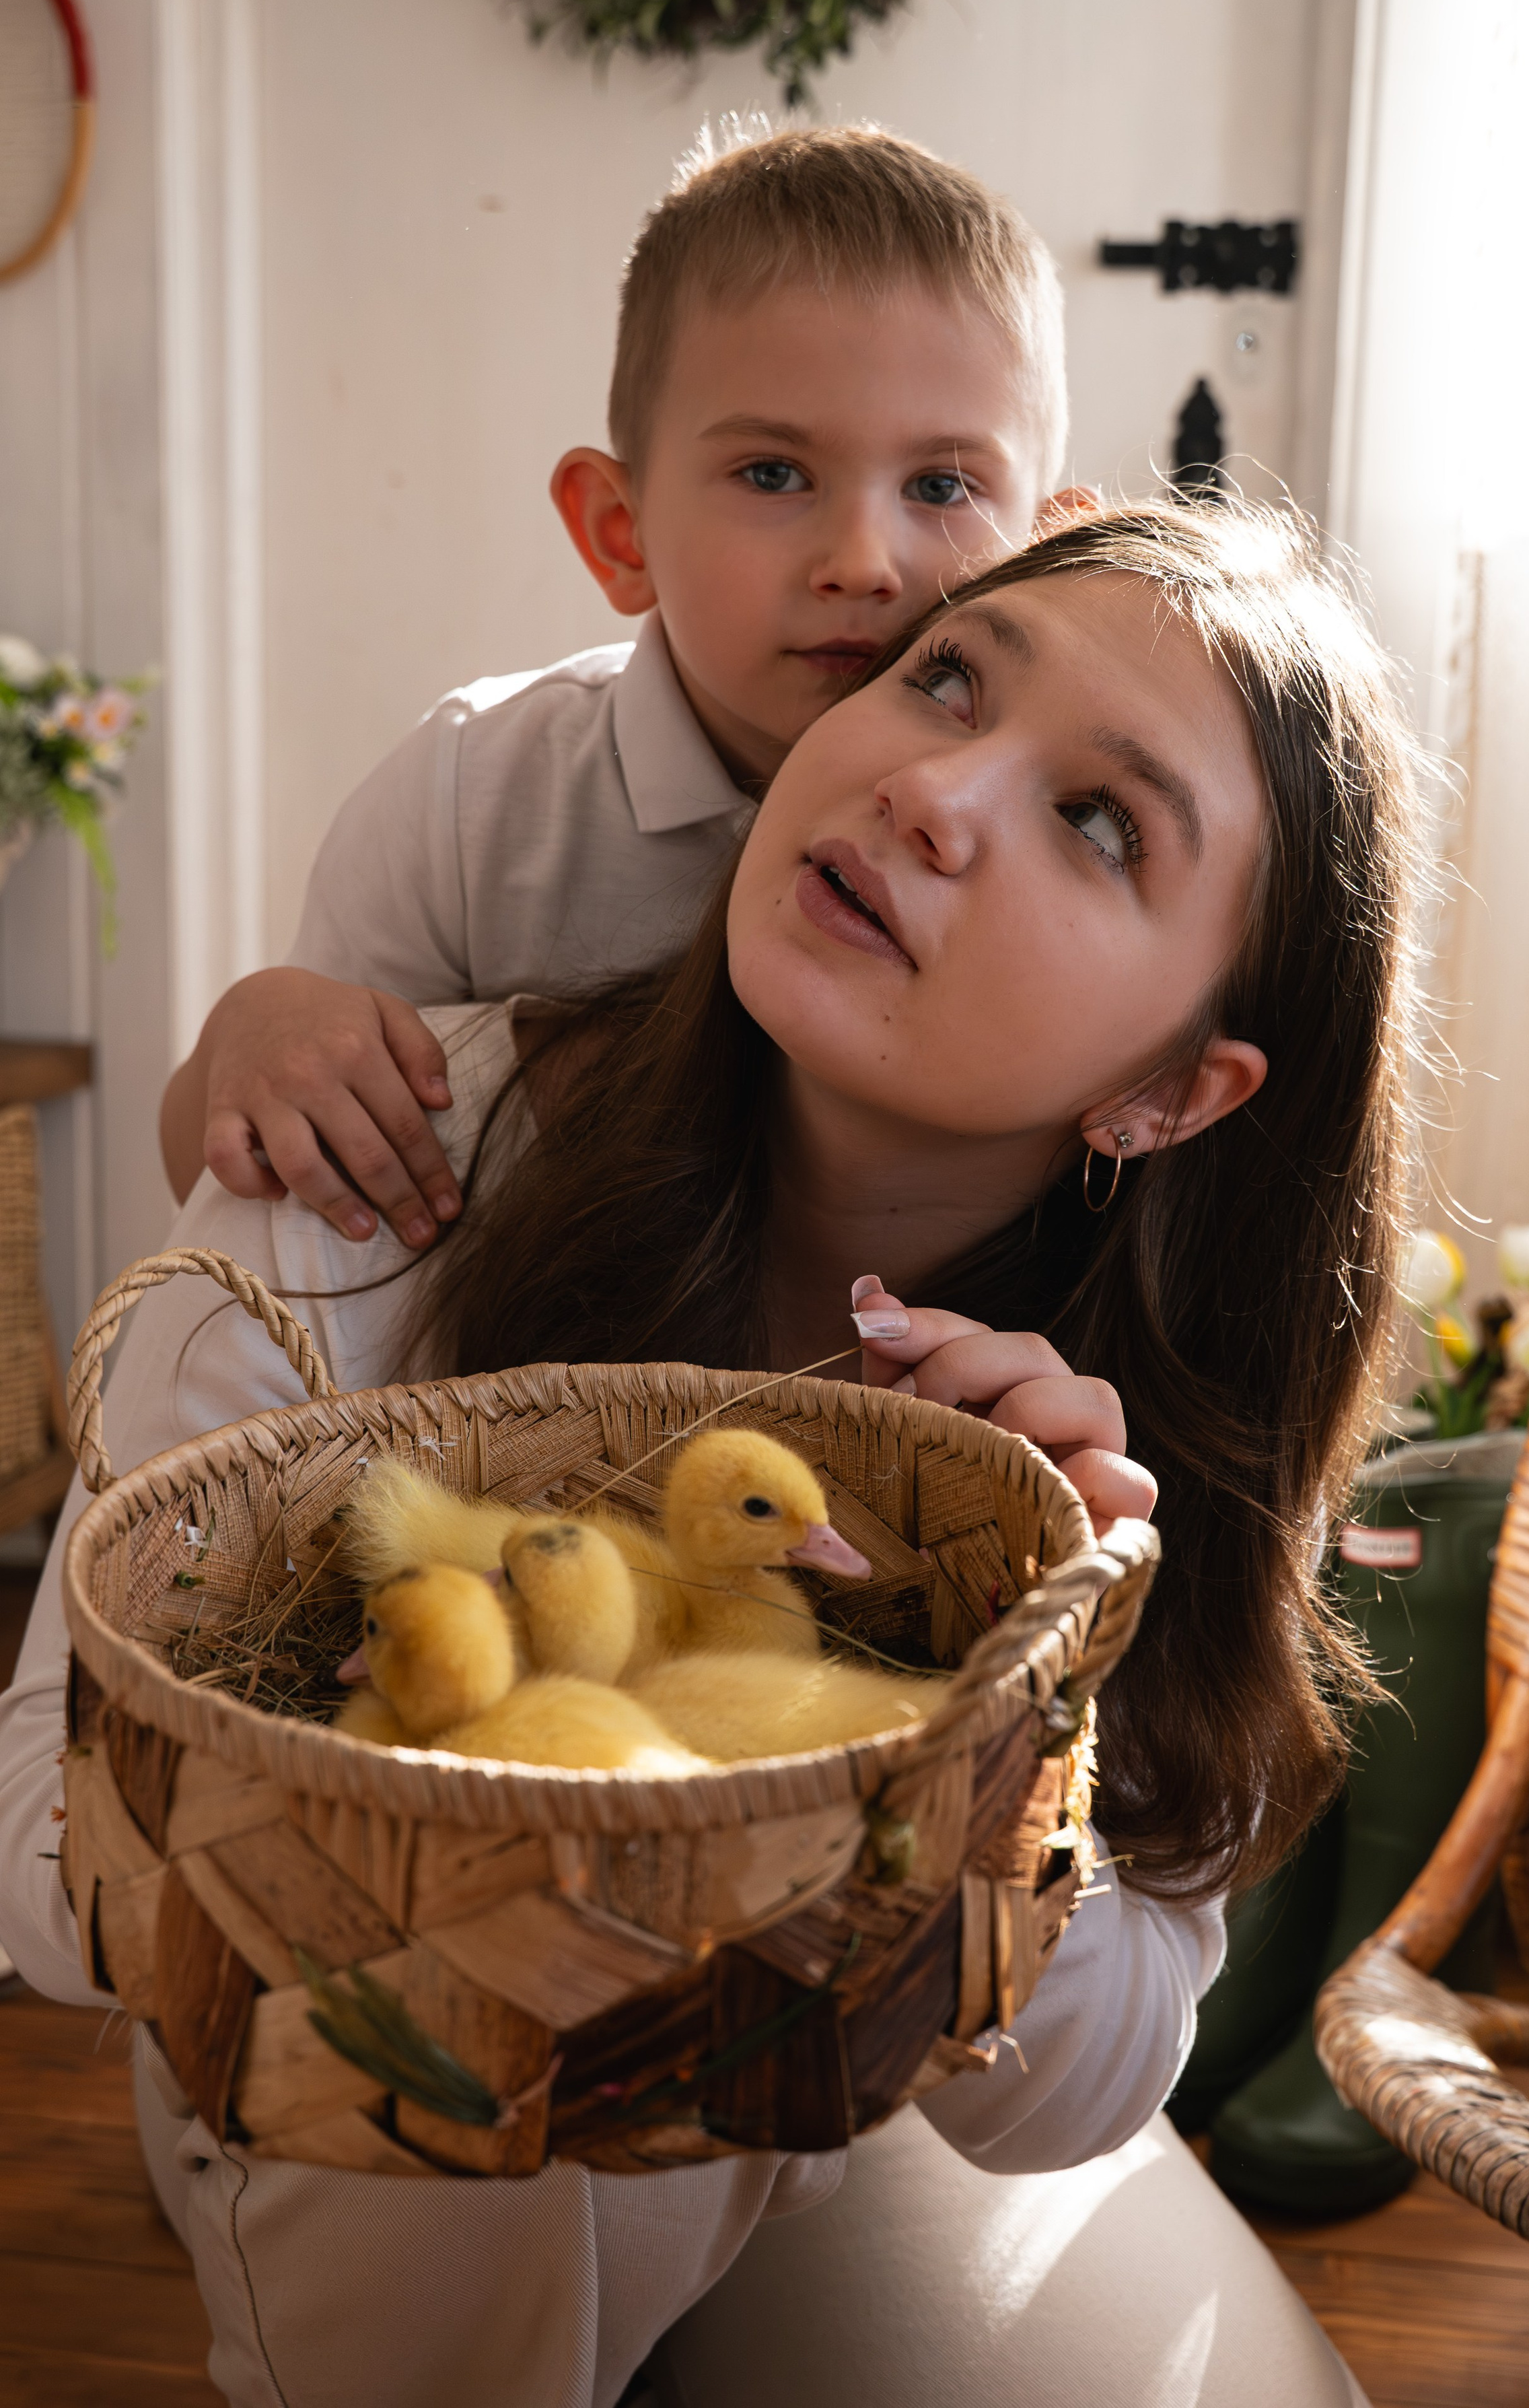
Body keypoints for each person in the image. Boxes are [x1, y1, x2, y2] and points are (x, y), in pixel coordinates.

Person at [0, 503, 1421, 2407]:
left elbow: (1071, 2098)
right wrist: (431, 1851)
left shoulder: (1137, 1429)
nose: (933, 792)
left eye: (1098, 821)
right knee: (505, 2072)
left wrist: (1014, 1720)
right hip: (340, 2060)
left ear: (1171, 1090)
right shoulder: (371, 1173)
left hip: (868, 2112)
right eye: (944, 683)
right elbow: (39, 1856)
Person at [157, 120, 1081, 1255]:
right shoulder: (468, 802)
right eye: (774, 473)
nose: (862, 561)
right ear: (620, 530)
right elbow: (240, 1192)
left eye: (940, 485)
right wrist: (247, 1047)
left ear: (1046, 553)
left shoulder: (1058, 860)